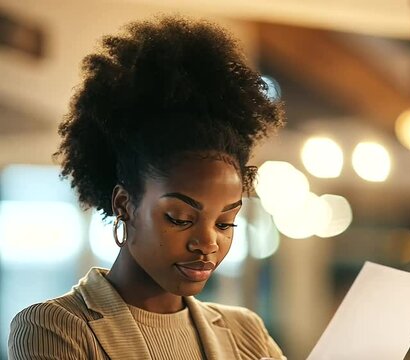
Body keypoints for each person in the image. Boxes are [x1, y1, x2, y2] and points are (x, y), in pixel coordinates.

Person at [8, 15, 286, 360]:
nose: (208, 243)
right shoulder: (57, 327)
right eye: (181, 218)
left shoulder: (246, 333)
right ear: (125, 204)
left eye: (225, 223)